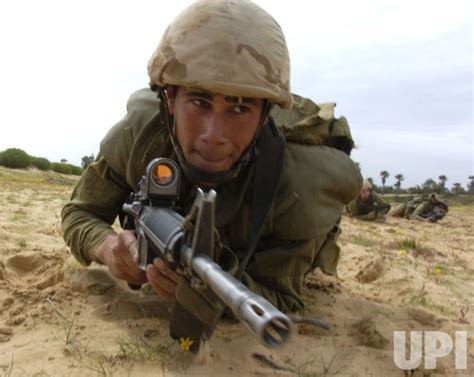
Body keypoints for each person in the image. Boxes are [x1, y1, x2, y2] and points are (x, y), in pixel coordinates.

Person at [61, 0, 361, 348]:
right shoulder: (140, 135)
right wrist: (109, 247)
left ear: (265, 115)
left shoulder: (295, 188)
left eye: (239, 108)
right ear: (170, 98)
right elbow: (79, 213)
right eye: (200, 103)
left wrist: (207, 291)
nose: (214, 135)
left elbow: (283, 298)